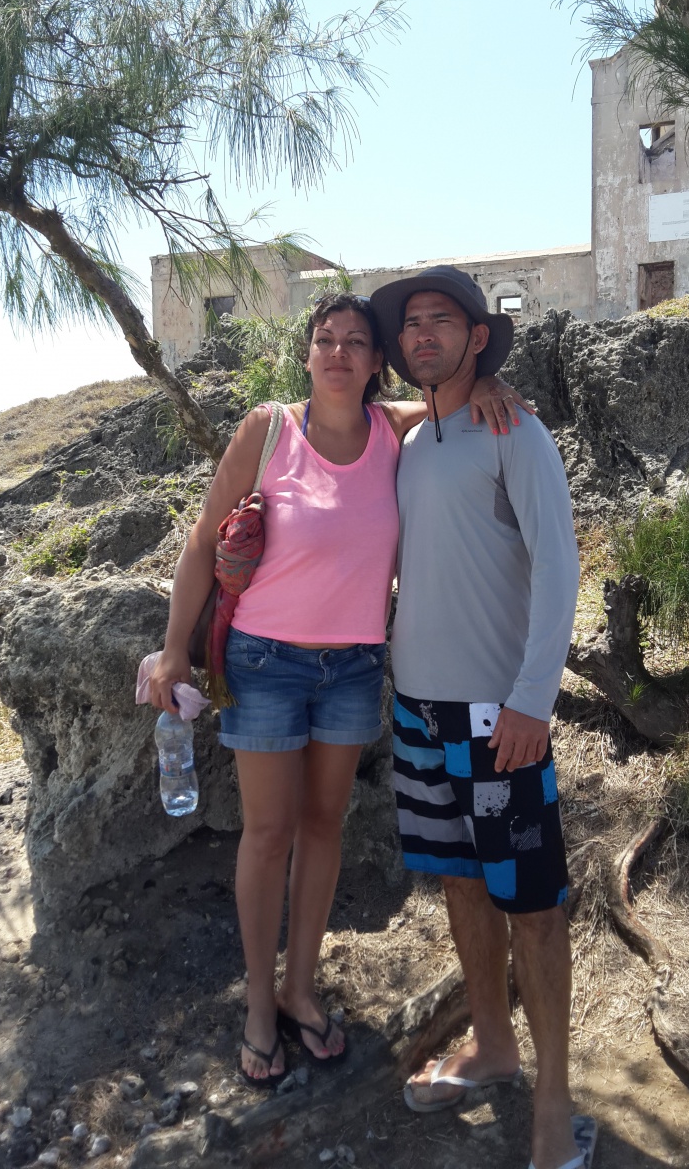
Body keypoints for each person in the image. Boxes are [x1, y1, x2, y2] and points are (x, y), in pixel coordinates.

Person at [148, 291, 530, 1089]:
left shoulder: (394, 430)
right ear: (308, 353)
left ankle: (300, 989)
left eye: (356, 342)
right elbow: (203, 539)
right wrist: (175, 649)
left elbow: (450, 395)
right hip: (264, 664)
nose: (339, 353)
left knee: (324, 828)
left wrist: (491, 380)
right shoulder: (268, 430)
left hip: (353, 665)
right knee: (268, 834)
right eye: (325, 339)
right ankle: (259, 1005)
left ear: (375, 361)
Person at [370, 266, 585, 1169]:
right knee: (461, 886)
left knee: (533, 909)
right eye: (410, 324)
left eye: (442, 320)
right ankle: (495, 1048)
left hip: (501, 716)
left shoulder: (515, 430)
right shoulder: (413, 439)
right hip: (419, 713)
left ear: (477, 337)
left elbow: (560, 563)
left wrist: (535, 698)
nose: (423, 334)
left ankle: (555, 1102)